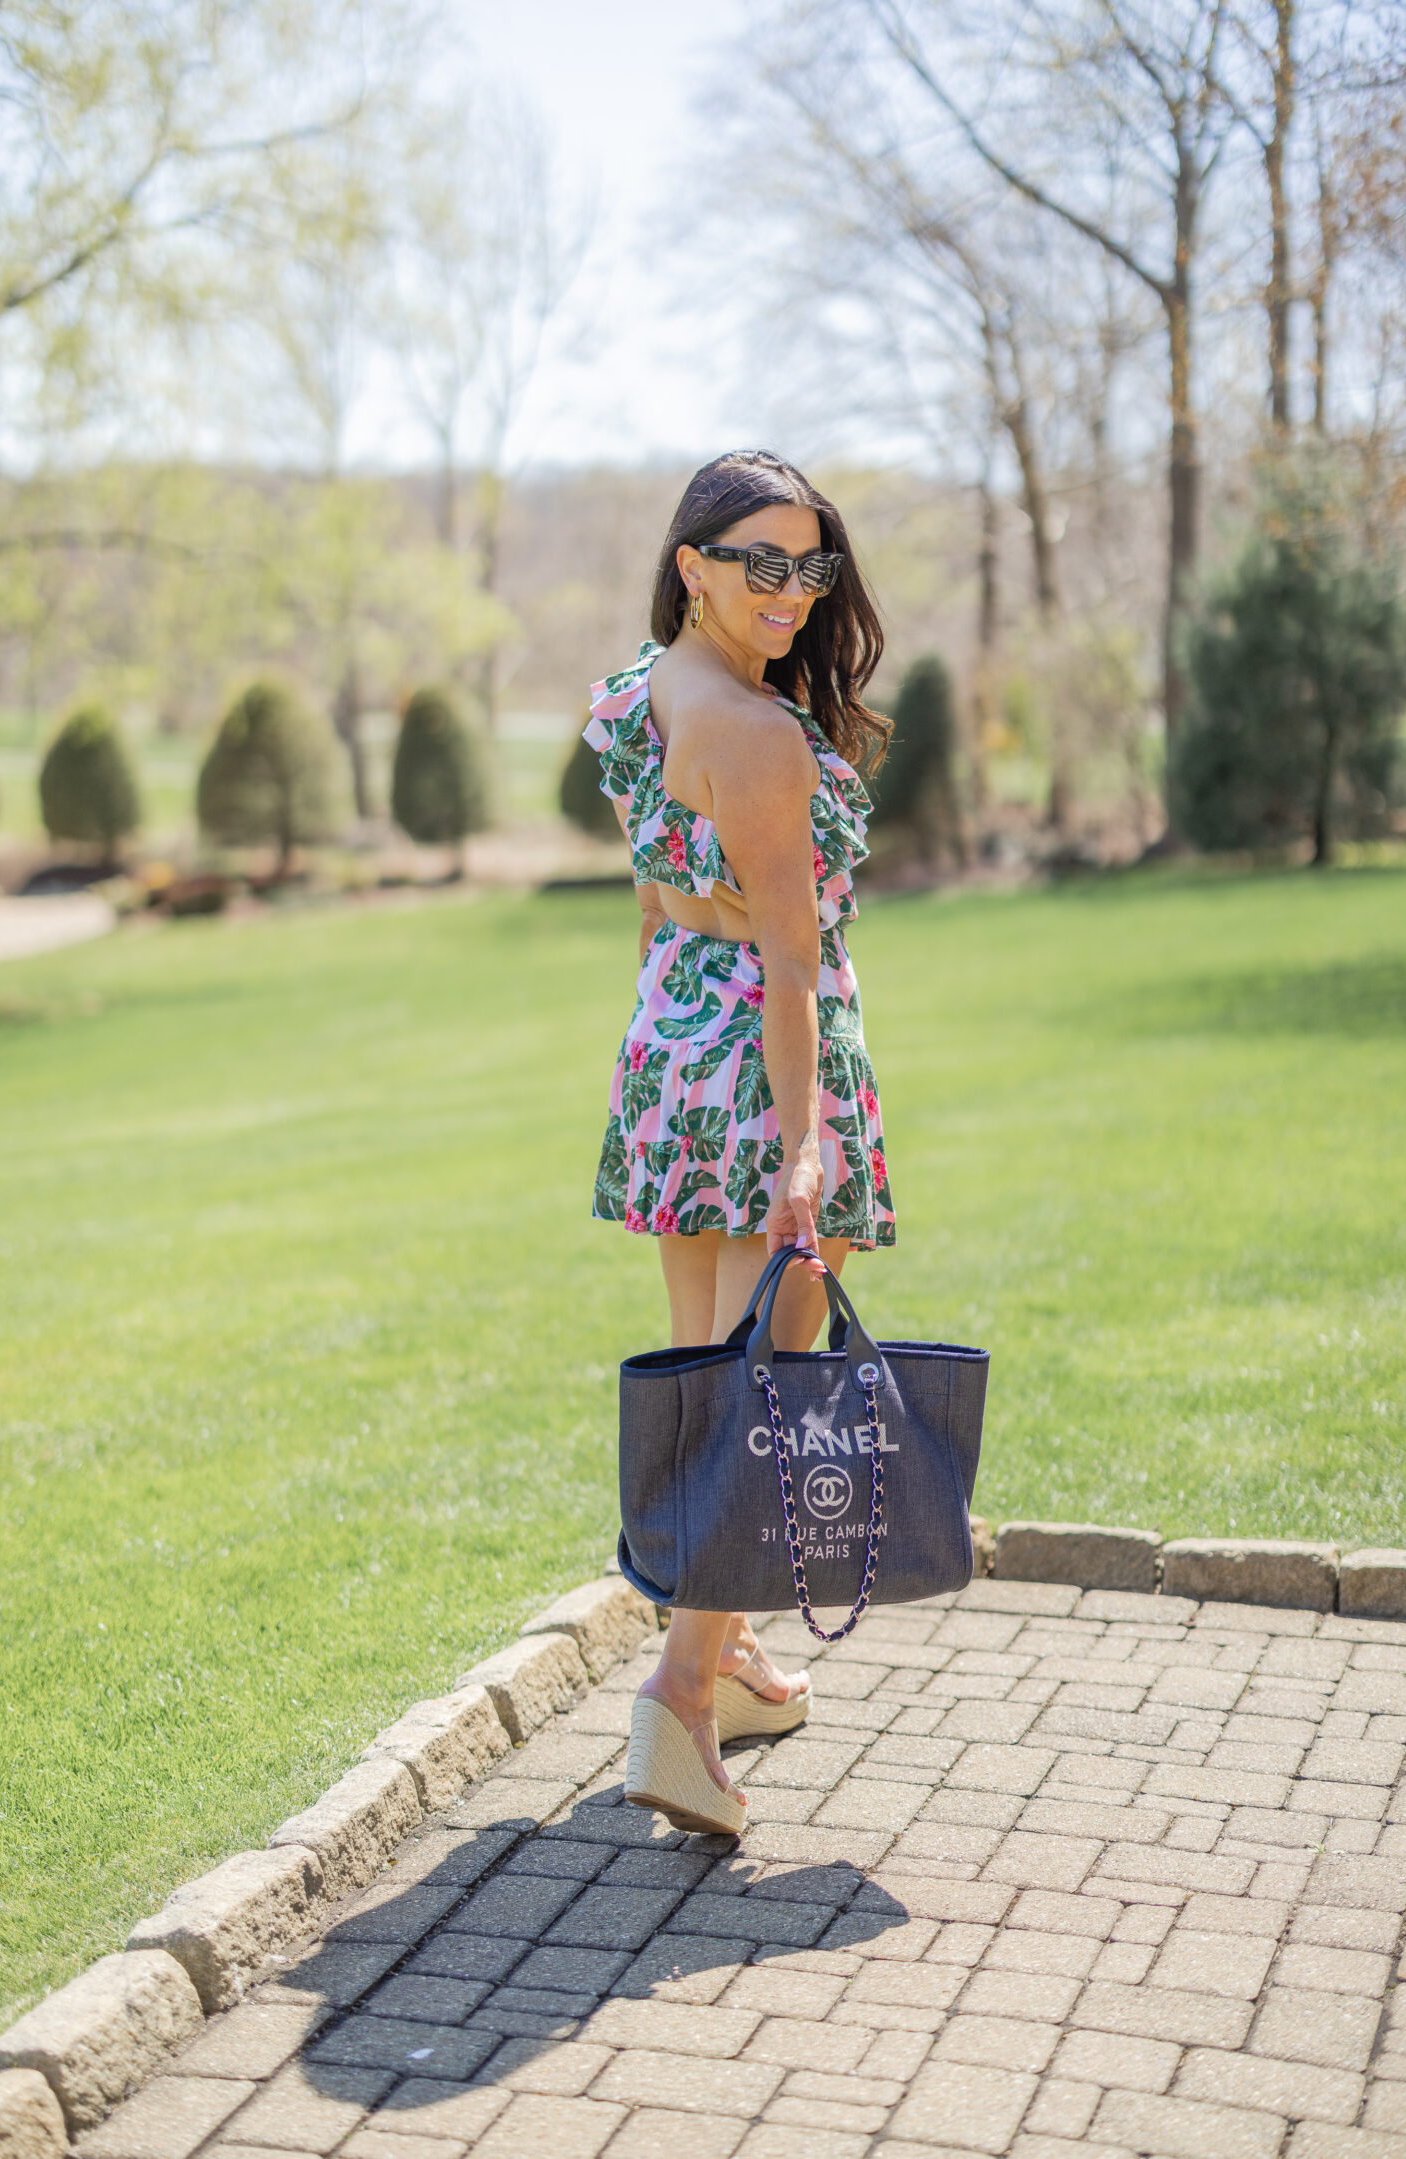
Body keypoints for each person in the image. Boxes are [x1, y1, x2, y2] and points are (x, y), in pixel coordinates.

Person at [584, 449, 895, 1837]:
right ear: (693, 565)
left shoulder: (642, 691)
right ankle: (677, 1702)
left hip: (675, 1046)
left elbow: (660, 898)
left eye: (809, 564)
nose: (792, 590)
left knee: (709, 1380)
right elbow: (789, 959)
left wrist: (665, 1056)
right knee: (765, 1397)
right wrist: (804, 1149)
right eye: (759, 562)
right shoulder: (760, 737)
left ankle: (727, 1655)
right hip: (764, 1066)